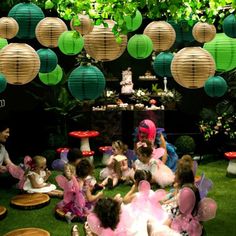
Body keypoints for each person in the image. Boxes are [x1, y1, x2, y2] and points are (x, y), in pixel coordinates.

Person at [56, 158, 103, 223]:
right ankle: (77, 217)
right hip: (80, 205)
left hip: (71, 202)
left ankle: (70, 214)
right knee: (97, 203)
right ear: (88, 173)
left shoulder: (74, 179)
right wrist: (98, 195)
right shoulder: (85, 184)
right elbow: (90, 199)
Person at [0, 122, 18, 188]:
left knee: (20, 166)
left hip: (2, 174)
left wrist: (22, 169)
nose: (8, 135)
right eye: (6, 132)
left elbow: (10, 163)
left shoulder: (2, 148)